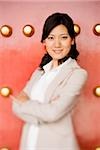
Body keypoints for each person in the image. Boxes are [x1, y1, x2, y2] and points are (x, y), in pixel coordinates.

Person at [11, 12, 88, 150]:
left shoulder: (77, 74)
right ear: (44, 41)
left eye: (63, 37)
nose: (57, 44)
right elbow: (16, 105)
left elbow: (53, 113)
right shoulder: (39, 72)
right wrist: (41, 113)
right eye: (51, 38)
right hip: (29, 142)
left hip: (57, 145)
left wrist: (26, 104)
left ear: (72, 40)